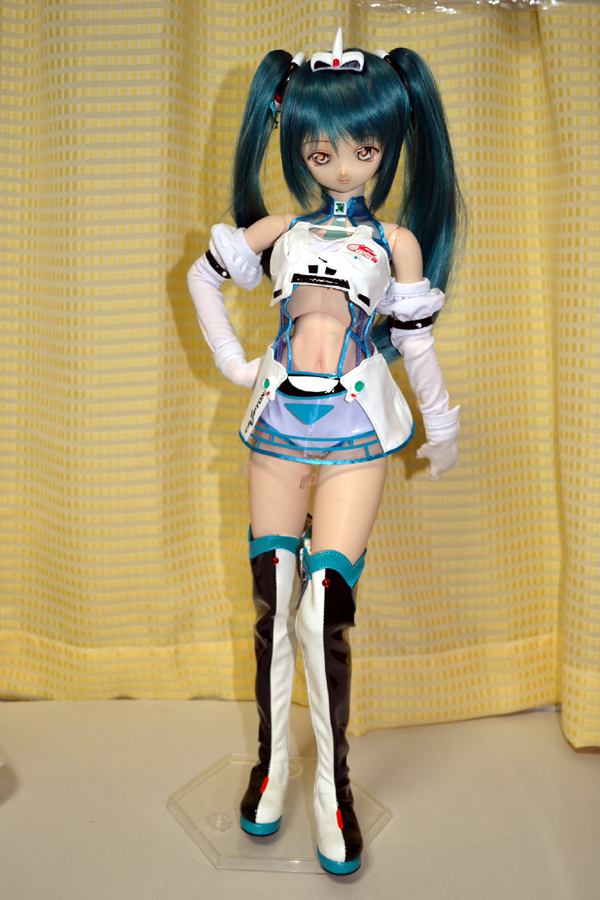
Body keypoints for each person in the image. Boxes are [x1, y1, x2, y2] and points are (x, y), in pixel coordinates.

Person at [187, 29, 465, 875]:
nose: (343, 167)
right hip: (277, 424)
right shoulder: (279, 228)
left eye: (362, 150)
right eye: (322, 152)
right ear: (299, 147)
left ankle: (331, 787)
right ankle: (273, 770)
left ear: (388, 145)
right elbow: (203, 277)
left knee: (323, 609)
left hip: (356, 432)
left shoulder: (397, 244)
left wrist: (442, 425)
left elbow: (415, 345)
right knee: (274, 602)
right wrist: (233, 363)